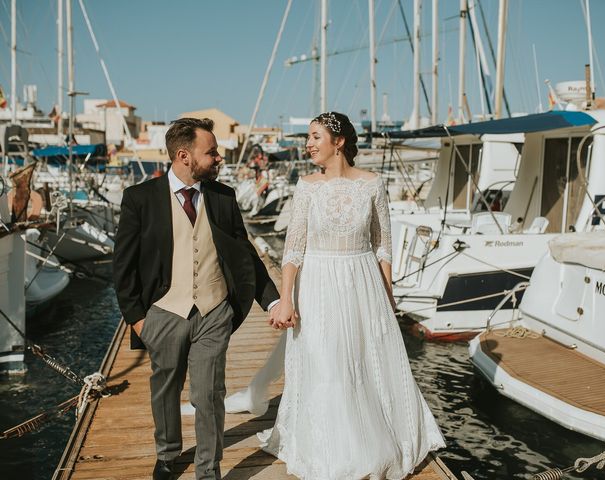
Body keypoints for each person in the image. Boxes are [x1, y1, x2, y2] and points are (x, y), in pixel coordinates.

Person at [259, 112, 445, 479]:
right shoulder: (307, 186)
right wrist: (285, 299)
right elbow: (293, 249)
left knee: (361, 361)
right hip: (318, 284)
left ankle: (376, 439)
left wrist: (387, 297)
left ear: (338, 140)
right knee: (326, 363)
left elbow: (383, 245)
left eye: (315, 136)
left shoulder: (373, 185)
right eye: (308, 138)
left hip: (364, 285)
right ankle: (334, 449)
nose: (309, 144)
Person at [113, 117, 279, 480]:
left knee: (209, 394)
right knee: (165, 389)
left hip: (214, 310)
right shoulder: (139, 199)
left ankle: (208, 469)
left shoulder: (223, 197)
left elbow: (245, 255)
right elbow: (123, 266)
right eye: (212, 152)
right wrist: (138, 319)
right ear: (185, 156)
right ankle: (168, 454)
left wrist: (272, 300)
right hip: (164, 312)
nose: (218, 158)